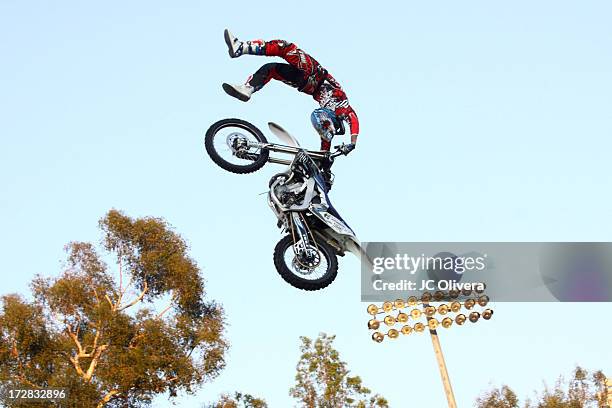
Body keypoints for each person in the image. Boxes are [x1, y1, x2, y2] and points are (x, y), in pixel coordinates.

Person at [222, 29, 359, 155]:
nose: (325, 123)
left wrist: (326, 162)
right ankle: (248, 88)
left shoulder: (326, 115)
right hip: (308, 83)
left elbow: (326, 144)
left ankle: (241, 47)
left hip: (314, 75)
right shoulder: (342, 109)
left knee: (284, 47)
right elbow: (354, 121)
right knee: (272, 69)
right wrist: (352, 143)